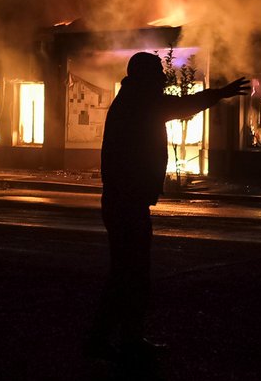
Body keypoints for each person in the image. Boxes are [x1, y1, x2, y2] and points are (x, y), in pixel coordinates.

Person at [86, 52, 249, 362]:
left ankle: (115, 338)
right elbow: (180, 107)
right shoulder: (140, 103)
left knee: (128, 274)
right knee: (130, 275)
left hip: (126, 201)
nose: (162, 78)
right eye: (157, 72)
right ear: (144, 75)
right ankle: (113, 340)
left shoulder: (133, 100)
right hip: (128, 203)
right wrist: (220, 93)